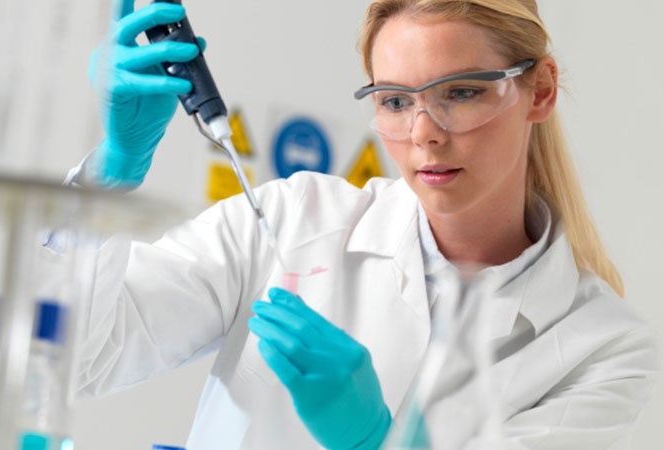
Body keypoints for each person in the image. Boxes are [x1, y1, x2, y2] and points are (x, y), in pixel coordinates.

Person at [67, 0, 661, 448]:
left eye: (460, 92)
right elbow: (81, 360)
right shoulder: (289, 220)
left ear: (541, 90)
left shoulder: (602, 348)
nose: (425, 132)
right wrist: (114, 173)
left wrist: (373, 439)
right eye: (396, 101)